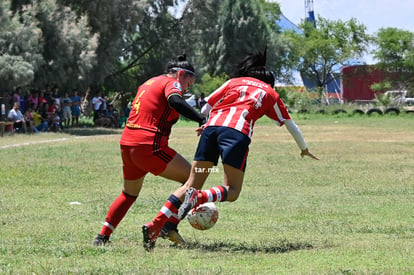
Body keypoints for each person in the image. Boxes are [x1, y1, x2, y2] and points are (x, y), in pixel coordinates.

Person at [142, 49, 319, 251]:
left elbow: (206, 105)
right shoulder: (269, 92)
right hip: (235, 134)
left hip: (211, 131)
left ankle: (157, 225)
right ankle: (198, 198)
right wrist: (304, 149)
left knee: (192, 182)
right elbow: (290, 124)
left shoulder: (234, 82)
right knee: (232, 191)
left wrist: (205, 123)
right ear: (269, 82)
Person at [93, 54, 205, 246]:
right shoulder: (172, 83)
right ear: (180, 74)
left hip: (128, 143)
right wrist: (202, 119)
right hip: (148, 145)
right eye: (190, 81)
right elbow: (176, 101)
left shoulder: (148, 83)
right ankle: (165, 227)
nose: (189, 87)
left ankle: (102, 237)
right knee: (193, 179)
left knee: (128, 194)